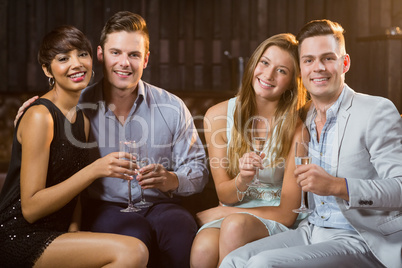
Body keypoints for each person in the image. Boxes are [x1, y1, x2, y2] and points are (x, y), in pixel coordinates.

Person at [15, 11, 209, 267]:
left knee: (181, 231)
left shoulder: (172, 106)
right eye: (115, 53)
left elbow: (199, 170)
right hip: (104, 206)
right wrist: (33, 110)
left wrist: (171, 179)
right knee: (133, 233)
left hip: (161, 205)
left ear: (146, 59)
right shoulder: (77, 104)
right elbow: (47, 118)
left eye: (134, 55)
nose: (124, 63)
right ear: (100, 55)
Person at [220, 19, 402, 268]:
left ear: (344, 63)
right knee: (233, 261)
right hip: (311, 230)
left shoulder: (375, 111)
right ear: (301, 69)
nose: (318, 68)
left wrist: (338, 186)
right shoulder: (301, 117)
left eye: (328, 58)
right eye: (308, 60)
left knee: (263, 264)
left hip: (361, 238)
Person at [0, 25, 148, 267]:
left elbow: (74, 195)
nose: (76, 64)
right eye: (63, 58)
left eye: (82, 54)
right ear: (47, 69)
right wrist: (94, 170)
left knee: (132, 244)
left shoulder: (83, 120)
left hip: (57, 234)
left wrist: (75, 229)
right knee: (133, 252)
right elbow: (30, 209)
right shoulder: (41, 117)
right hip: (18, 235)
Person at [190, 33, 308, 267]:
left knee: (234, 227)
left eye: (282, 71)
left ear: (293, 81)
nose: (268, 75)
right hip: (236, 207)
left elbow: (288, 213)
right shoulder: (217, 116)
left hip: (276, 216)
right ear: (254, 63)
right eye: (264, 63)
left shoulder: (297, 128)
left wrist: (223, 214)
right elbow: (225, 194)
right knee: (203, 250)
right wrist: (242, 180)